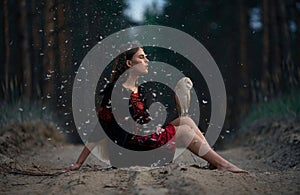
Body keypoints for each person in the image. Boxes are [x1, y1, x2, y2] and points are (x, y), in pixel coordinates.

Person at [66, 46, 247, 173]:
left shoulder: (143, 90)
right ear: (130, 64)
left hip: (144, 140)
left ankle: (213, 161)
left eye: (146, 57)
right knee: (183, 132)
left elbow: (150, 121)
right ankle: (224, 165)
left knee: (186, 121)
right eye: (141, 57)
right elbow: (101, 128)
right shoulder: (114, 90)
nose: (147, 60)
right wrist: (79, 163)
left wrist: (159, 125)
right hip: (130, 151)